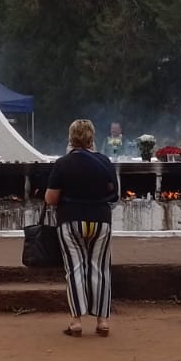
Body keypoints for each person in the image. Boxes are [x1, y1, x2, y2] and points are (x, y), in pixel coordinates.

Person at [45, 118, 118, 337]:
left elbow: (51, 198)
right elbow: (114, 193)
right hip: (100, 221)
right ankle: (102, 321)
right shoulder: (105, 161)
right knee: (100, 269)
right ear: (92, 138)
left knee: (75, 269)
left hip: (71, 220)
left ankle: (76, 321)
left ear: (71, 138)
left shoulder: (63, 163)